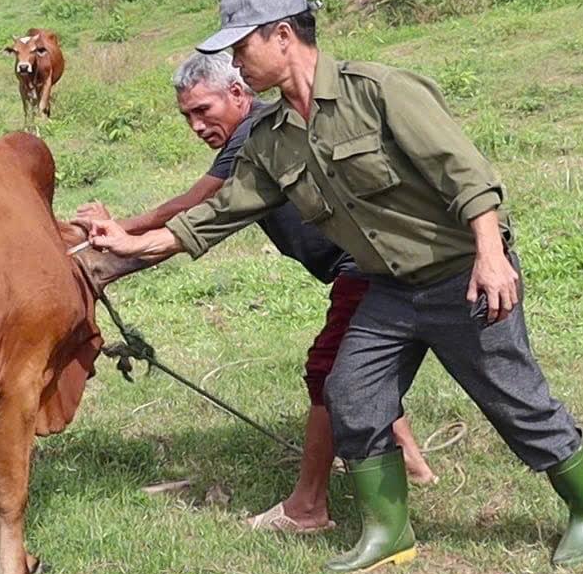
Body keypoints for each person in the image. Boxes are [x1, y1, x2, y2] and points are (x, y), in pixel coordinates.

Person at [79, 0, 583, 573]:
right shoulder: (269, 140)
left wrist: (490, 252)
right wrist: (130, 240)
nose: (235, 64)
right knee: (351, 393)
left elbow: (465, 172)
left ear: (283, 36)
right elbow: (214, 215)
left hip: (460, 275)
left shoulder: (380, 91)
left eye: (240, 47)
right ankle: (389, 532)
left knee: (515, 400)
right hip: (385, 289)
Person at [74, 51, 438, 535]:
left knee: (329, 371)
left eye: (204, 110)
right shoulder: (262, 129)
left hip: (370, 264)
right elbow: (195, 223)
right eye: (187, 116)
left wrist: (119, 231)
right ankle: (411, 461)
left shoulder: (254, 133)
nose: (196, 125)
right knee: (360, 360)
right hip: (371, 263)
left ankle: (308, 507)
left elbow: (196, 207)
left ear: (239, 94)